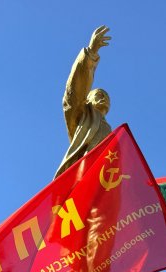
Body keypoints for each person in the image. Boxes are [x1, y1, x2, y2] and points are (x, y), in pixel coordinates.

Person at [54, 25, 113, 179]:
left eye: (107, 97)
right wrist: (91, 53)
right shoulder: (82, 115)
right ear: (87, 99)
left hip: (104, 180)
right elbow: (74, 90)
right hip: (83, 174)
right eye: (99, 94)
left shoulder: (112, 132)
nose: (104, 98)